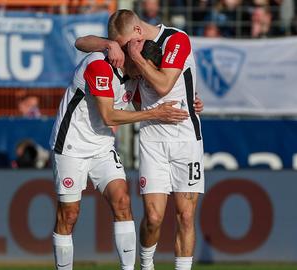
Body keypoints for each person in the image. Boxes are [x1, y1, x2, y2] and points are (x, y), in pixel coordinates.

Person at [49, 39, 197, 270]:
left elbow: (146, 104)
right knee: (69, 215)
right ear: (132, 58)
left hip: (103, 146)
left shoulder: (134, 76)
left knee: (122, 201)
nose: (145, 74)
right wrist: (109, 43)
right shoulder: (100, 65)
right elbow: (109, 116)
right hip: (71, 146)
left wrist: (190, 104)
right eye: (142, 67)